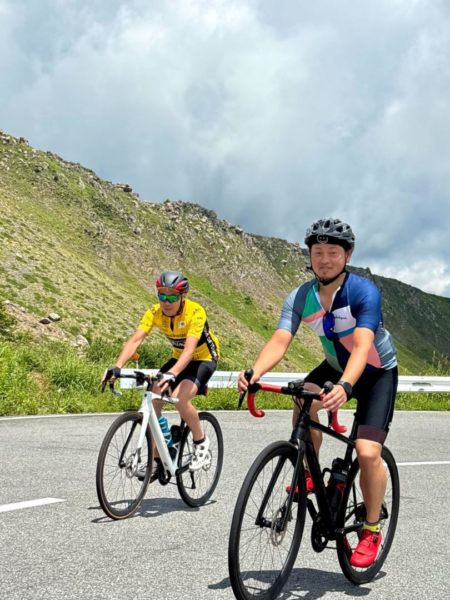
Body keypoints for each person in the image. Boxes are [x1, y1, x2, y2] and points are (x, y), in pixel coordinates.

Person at [237, 218, 397, 568]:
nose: (324, 259)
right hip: (336, 366)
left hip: (375, 373)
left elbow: (362, 346)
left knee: (367, 452)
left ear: (348, 255)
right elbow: (280, 339)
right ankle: (309, 471)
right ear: (309, 256)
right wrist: (255, 371)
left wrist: (345, 386)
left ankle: (371, 528)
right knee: (303, 397)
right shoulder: (300, 297)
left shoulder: (363, 292)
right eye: (318, 252)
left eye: (333, 252)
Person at [104, 270, 220, 472]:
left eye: (172, 296)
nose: (166, 301)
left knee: (179, 398)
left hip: (203, 359)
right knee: (154, 397)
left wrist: (172, 374)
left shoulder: (195, 312)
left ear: (183, 296)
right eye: (162, 295)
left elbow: (190, 350)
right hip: (178, 357)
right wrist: (117, 366)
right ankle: (158, 458)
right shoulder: (154, 312)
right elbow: (135, 340)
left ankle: (201, 441)